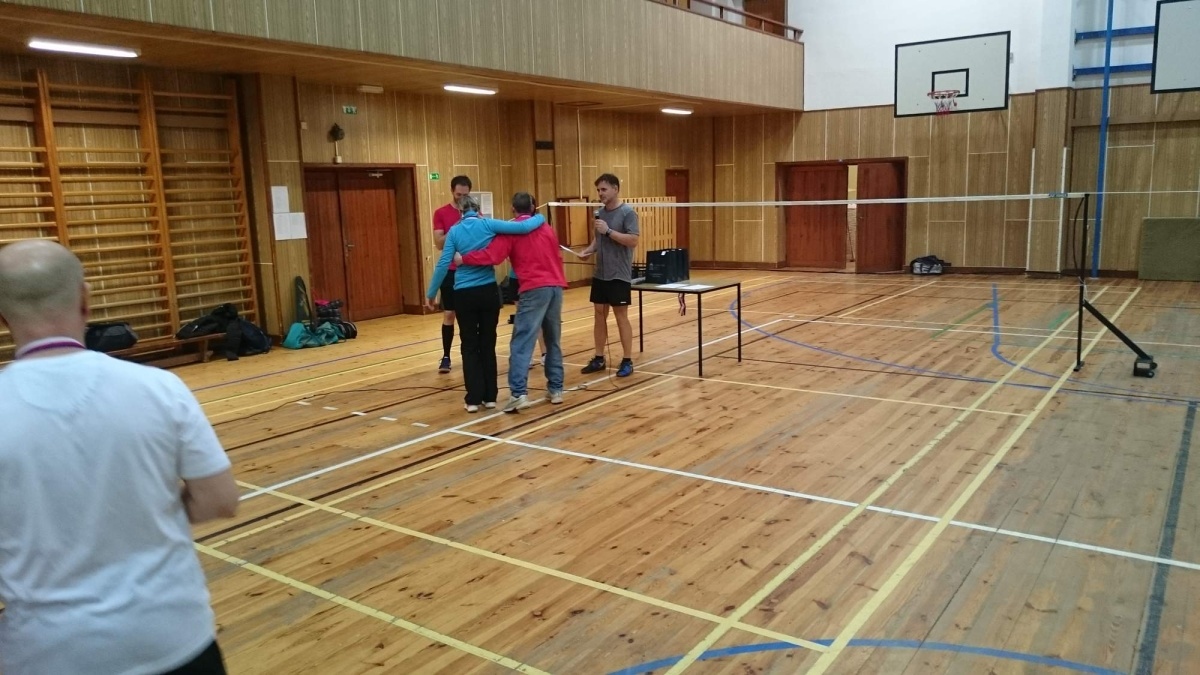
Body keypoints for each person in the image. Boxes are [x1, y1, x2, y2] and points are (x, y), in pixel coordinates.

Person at [0, 240, 240, 675]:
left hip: (46, 653)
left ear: (2, 316)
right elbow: (219, 500)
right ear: (85, 300)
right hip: (173, 638)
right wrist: (137, 514)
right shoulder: (158, 388)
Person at [424, 194, 547, 412]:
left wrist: (431, 293)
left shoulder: (455, 232)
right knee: (488, 343)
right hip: (488, 292)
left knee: (469, 345)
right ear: (478, 209)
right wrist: (540, 217)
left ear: (460, 211)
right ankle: (490, 397)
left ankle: (473, 399)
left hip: (464, 294)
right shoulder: (488, 224)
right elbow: (523, 227)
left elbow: (443, 265)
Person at [458, 192, 567, 412]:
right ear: (533, 208)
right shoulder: (546, 228)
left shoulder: (511, 231)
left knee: (521, 342)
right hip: (556, 287)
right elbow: (557, 256)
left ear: (513, 209)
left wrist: (464, 258)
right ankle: (556, 389)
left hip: (534, 288)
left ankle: (518, 393)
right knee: (552, 339)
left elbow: (493, 256)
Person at [578, 173, 640, 377]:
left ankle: (627, 360)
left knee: (621, 316)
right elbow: (598, 240)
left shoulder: (627, 213)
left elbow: (633, 240)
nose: (600, 193)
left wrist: (608, 231)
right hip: (600, 274)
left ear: (615, 189)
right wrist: (588, 251)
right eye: (598, 190)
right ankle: (599, 357)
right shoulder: (600, 213)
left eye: (604, 189)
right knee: (599, 314)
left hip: (618, 274)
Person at [432, 175, 473, 374]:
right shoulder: (441, 213)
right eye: (458, 194)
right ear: (452, 192)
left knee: (467, 316)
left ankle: (469, 355)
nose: (462, 198)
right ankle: (446, 356)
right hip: (450, 271)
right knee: (449, 314)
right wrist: (457, 226)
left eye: (465, 195)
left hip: (469, 271)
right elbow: (439, 243)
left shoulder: (475, 213)